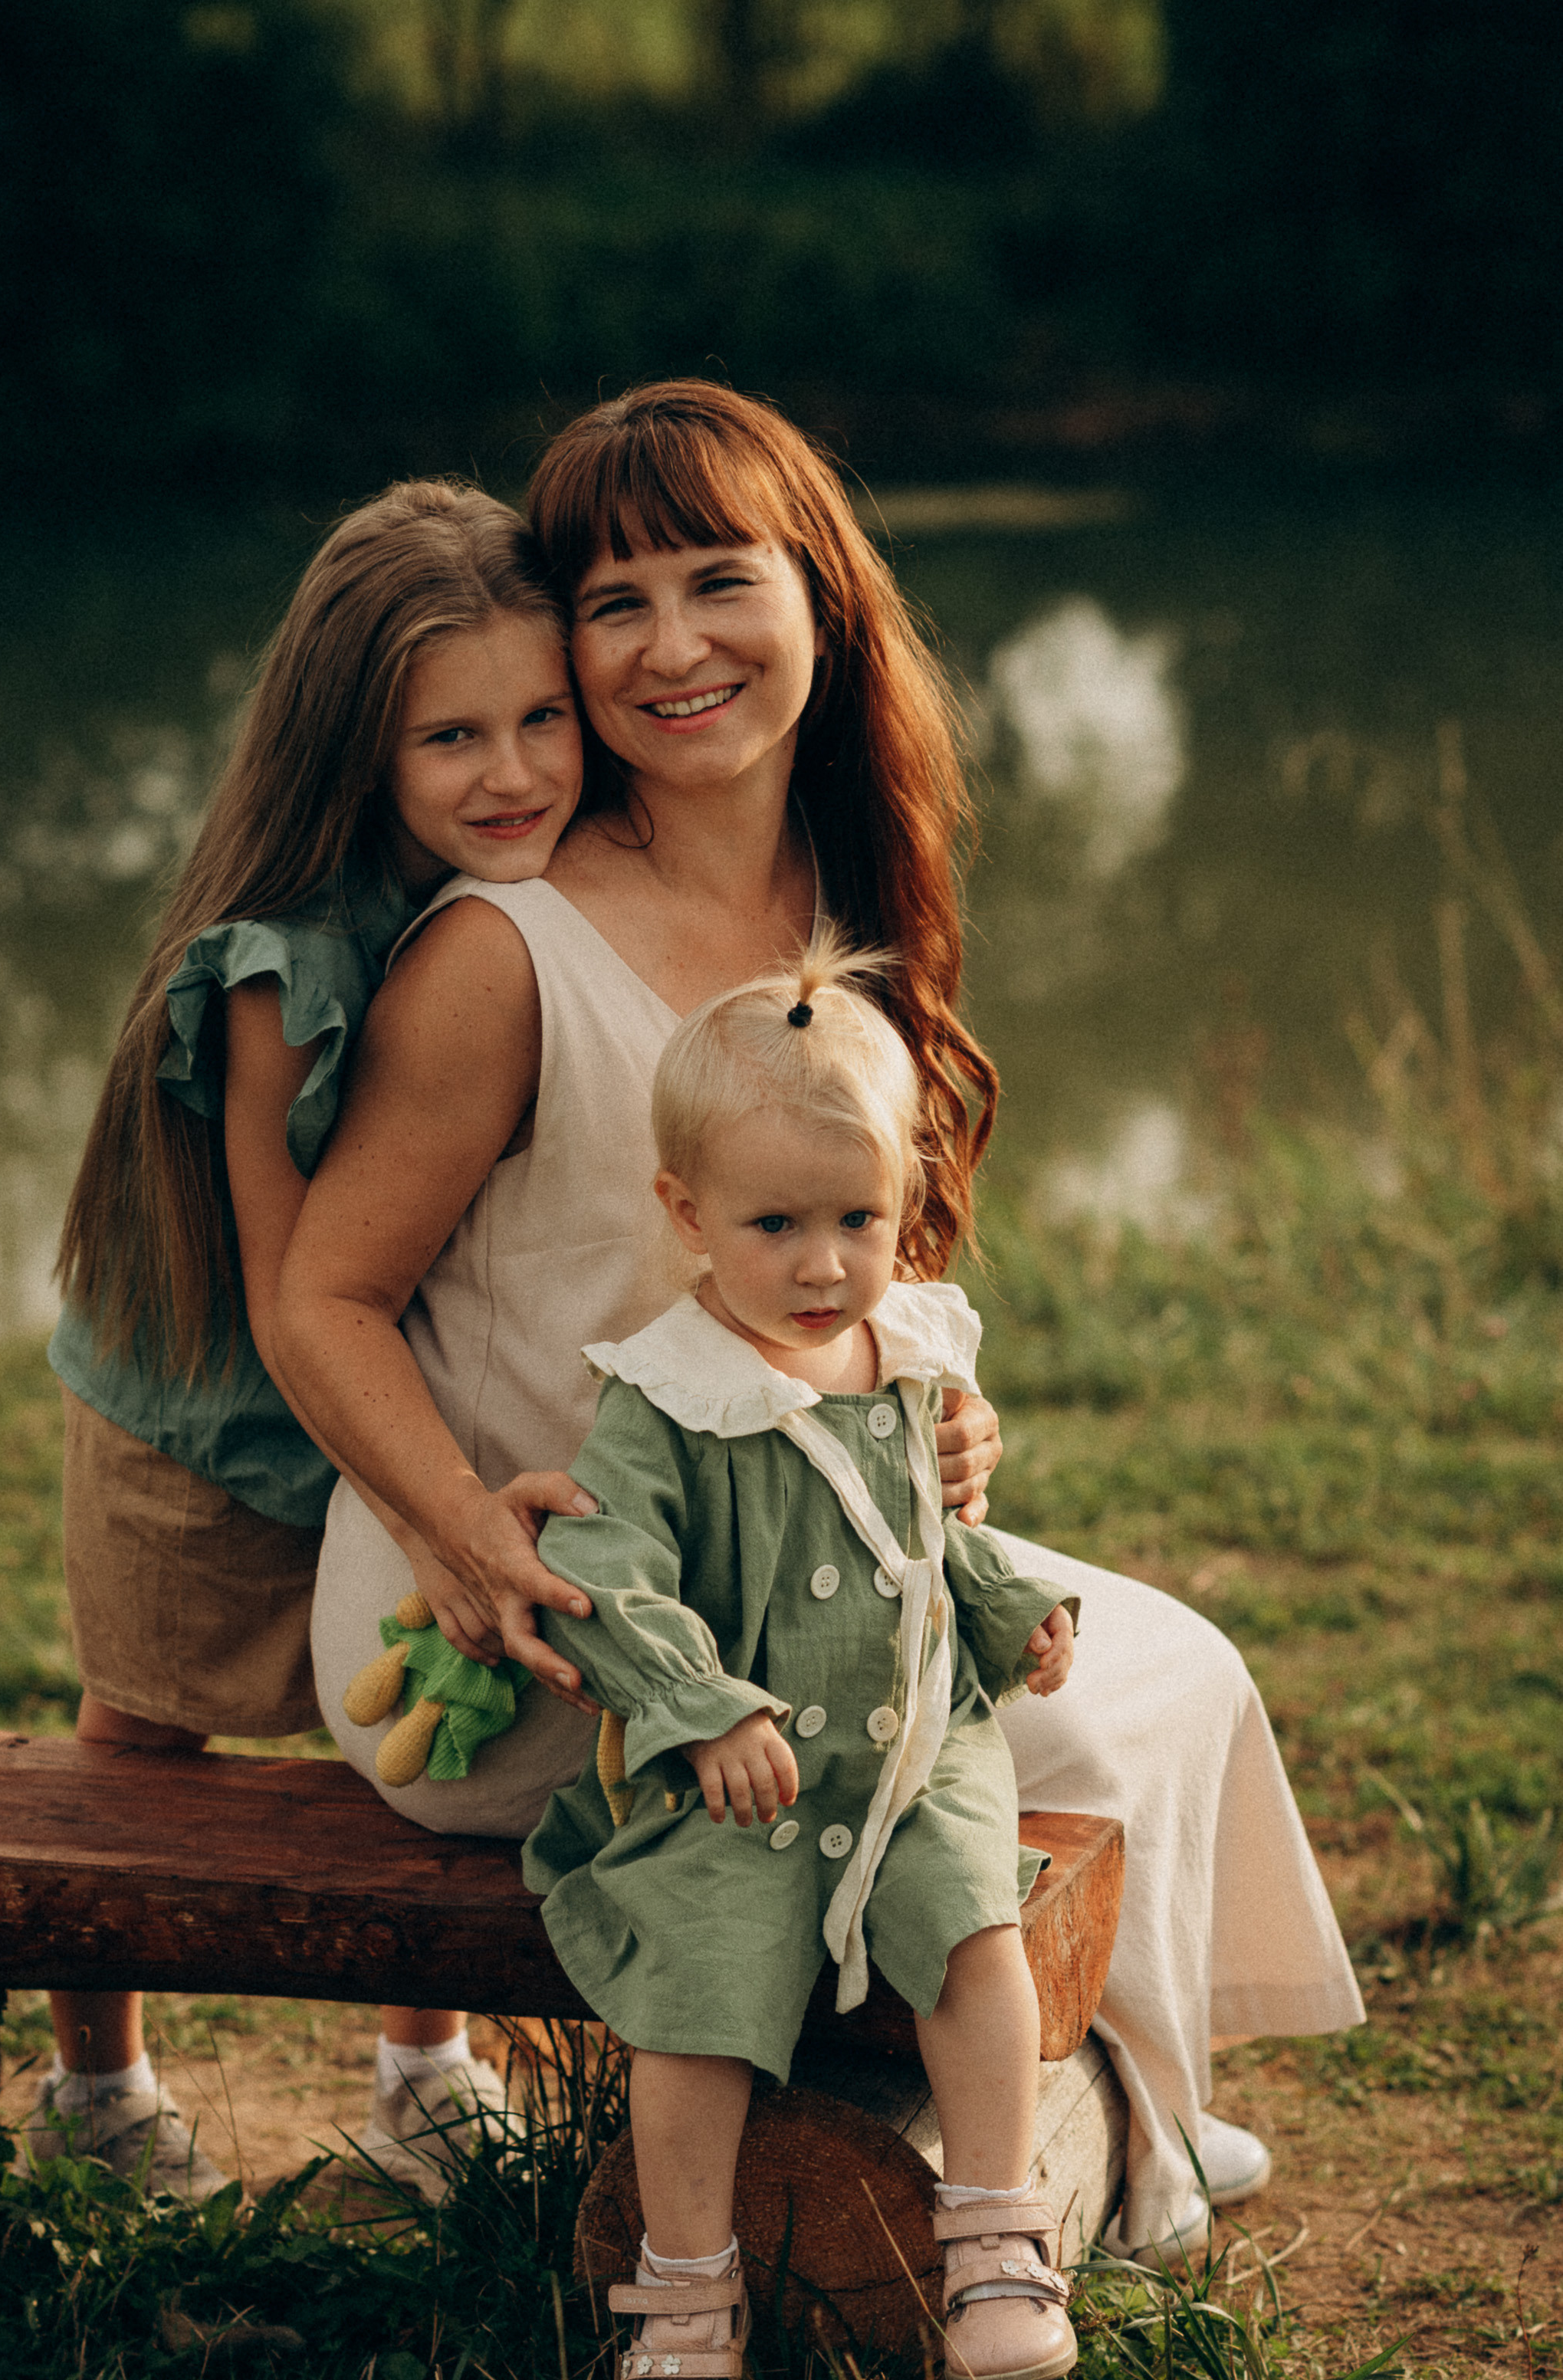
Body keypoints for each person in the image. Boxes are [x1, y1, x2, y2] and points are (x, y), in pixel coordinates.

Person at [280, 378, 1364, 2265]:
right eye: (614, 602)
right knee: (1065, 1743)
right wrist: (469, 1538)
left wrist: (934, 1409)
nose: (673, 645)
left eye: (720, 580)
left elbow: (851, 1261)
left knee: (1167, 1659)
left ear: (822, 599)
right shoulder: (504, 949)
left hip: (799, 1544)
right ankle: (1085, 2167)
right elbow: (322, 1294)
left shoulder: (840, 898)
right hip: (546, 1624)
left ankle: (1128, 2110)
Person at [37, 480, 586, 2200]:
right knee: (144, 1726)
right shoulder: (285, 969)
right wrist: (432, 1503)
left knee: (421, 1732)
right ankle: (98, 2094)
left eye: (542, 719)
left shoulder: (525, 906)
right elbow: (294, 1300)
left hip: (403, 1397)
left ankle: (426, 2074)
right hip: (211, 1423)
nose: (513, 774)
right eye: (453, 737)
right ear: (358, 748)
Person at [522, 940, 1082, 2380]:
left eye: (860, 1220)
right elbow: (603, 1568)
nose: (826, 1263)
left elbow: (931, 1538)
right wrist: (697, 1711)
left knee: (978, 1931)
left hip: (912, 1752)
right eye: (777, 1225)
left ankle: (993, 2226)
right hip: (744, 1780)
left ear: (904, 1201)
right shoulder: (665, 1396)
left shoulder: (907, 1357)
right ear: (686, 1211)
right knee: (698, 1998)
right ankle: (685, 2291)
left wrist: (1012, 1609)